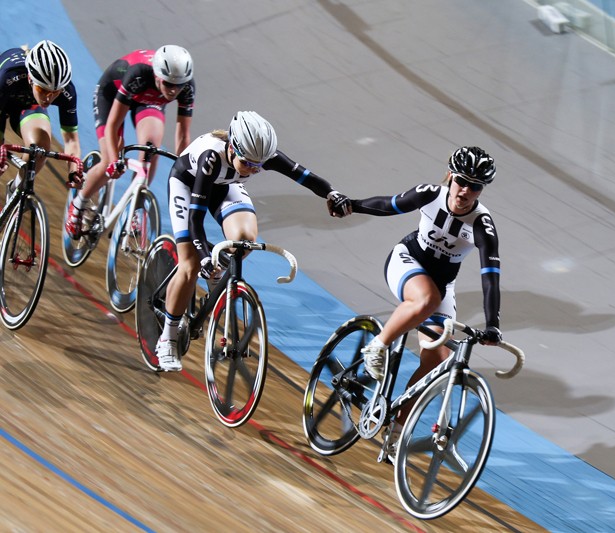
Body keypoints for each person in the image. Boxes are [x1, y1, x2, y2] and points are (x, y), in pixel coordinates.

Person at [154, 110, 352, 371]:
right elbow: (195, 221)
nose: (254, 170)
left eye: (259, 166)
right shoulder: (211, 157)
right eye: (248, 164)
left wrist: (332, 193)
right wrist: (203, 255)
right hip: (189, 185)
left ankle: (216, 271)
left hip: (225, 185)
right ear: (233, 148)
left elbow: (306, 177)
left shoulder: (261, 155)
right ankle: (167, 338)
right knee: (190, 264)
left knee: (245, 240)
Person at [349, 146, 502, 455]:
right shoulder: (430, 194)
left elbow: (491, 276)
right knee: (427, 299)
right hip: (406, 261)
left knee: (438, 364)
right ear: (450, 176)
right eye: (462, 181)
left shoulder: (482, 225)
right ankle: (377, 346)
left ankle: (395, 428)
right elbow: (387, 205)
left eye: (475, 186)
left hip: (442, 285)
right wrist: (350, 205)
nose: (465, 191)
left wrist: (493, 324)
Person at [65, 45, 195, 238]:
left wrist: (187, 173)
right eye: (169, 84)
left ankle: (135, 209)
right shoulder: (139, 74)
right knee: (110, 160)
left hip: (148, 101)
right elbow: (112, 125)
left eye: (179, 85)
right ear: (158, 76)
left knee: (152, 147)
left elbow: (183, 136)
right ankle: (79, 204)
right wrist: (114, 161)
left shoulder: (187, 86)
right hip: (112, 94)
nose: (174, 91)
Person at [0, 40, 82, 190]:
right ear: (31, 79)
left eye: (54, 93)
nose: (48, 98)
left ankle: (16, 189)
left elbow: (71, 140)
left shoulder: (67, 91)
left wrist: (73, 170)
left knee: (40, 146)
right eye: (43, 90)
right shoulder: (9, 75)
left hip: (27, 106)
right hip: (3, 98)